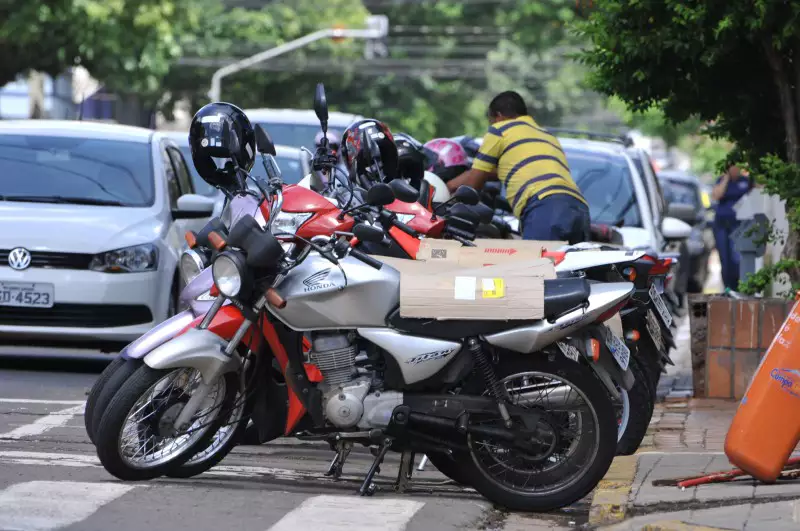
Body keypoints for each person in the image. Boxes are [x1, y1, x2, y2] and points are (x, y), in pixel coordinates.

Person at [445, 91, 590, 243]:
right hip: (579, 208)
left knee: (536, 259)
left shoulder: (500, 130)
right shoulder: (548, 136)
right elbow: (505, 171)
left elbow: (472, 186)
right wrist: (451, 184)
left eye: (491, 121)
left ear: (498, 116)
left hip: (544, 206)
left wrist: (450, 201)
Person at [711, 164, 754, 290]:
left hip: (739, 226)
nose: (735, 170)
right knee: (725, 260)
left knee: (737, 260)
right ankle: (728, 288)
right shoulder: (721, 181)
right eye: (732, 167)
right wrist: (726, 178)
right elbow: (716, 196)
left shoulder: (745, 181)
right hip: (722, 225)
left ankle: (738, 287)